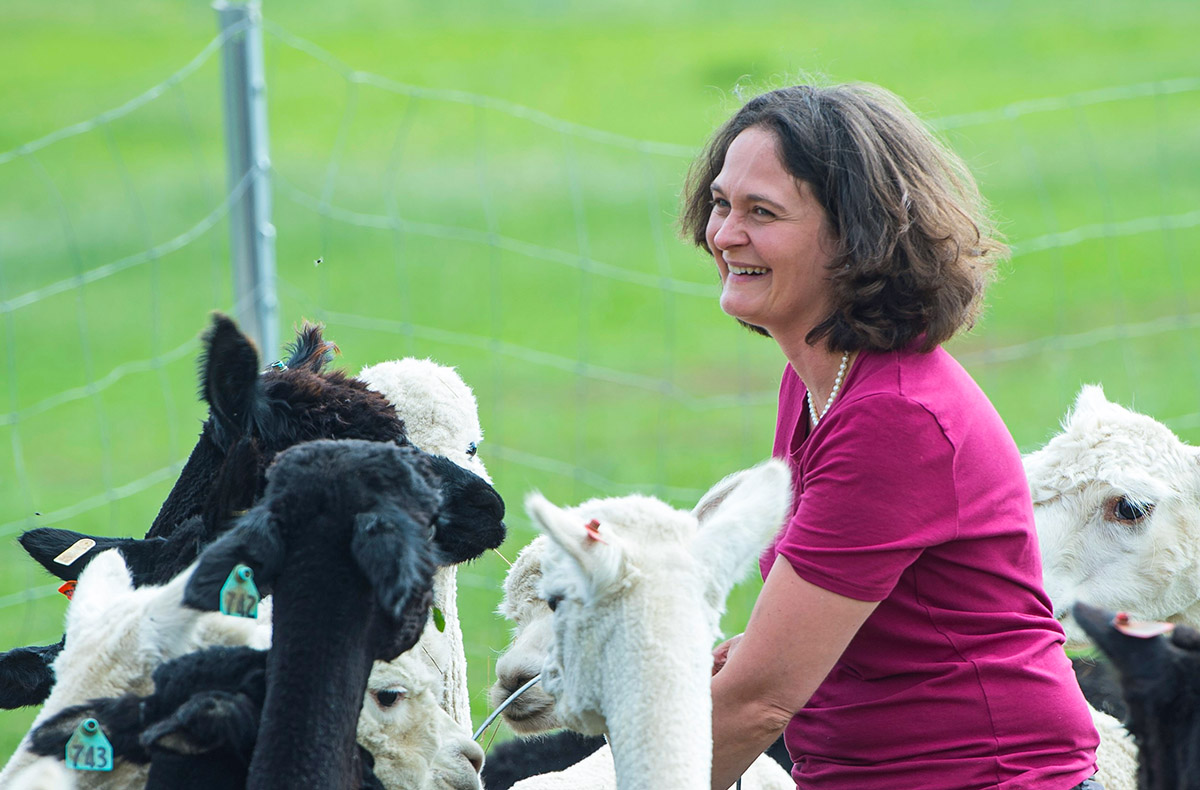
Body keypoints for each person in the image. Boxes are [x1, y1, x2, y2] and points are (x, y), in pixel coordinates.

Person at [680, 83, 1100, 790]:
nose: (724, 234)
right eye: (722, 203)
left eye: (762, 212)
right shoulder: (820, 380)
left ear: (855, 236)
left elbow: (758, 703)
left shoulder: (896, 417)